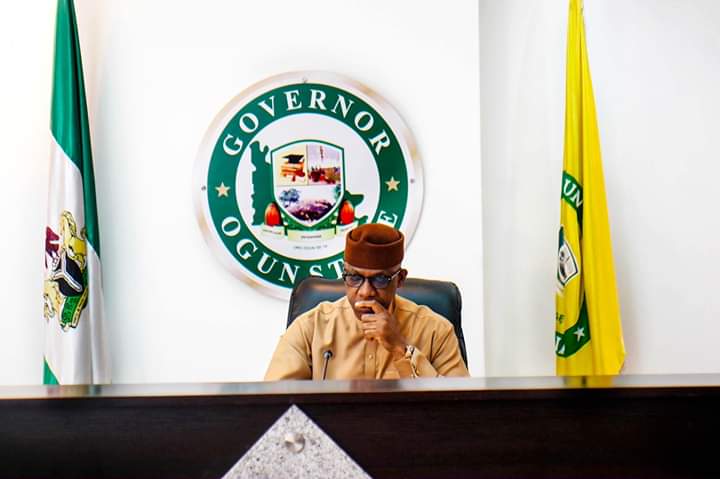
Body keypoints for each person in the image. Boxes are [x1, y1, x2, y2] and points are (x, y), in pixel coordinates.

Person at [264, 223, 469, 380]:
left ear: (399, 280)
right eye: (354, 278)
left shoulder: (435, 330)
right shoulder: (310, 327)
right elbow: (275, 407)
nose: (365, 292)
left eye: (380, 279)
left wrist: (400, 348)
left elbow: (459, 411)